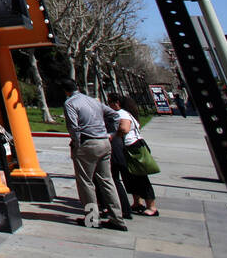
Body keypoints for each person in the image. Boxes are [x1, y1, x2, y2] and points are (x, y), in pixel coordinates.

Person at [62, 79, 127, 231]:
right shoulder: (94, 101)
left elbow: (73, 126)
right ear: (77, 87)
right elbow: (116, 116)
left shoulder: (70, 103)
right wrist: (111, 134)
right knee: (107, 180)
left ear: (65, 91)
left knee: (86, 182)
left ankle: (92, 219)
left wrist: (77, 144)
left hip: (87, 144)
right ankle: (117, 218)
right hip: (104, 142)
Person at [109, 95, 158, 217]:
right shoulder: (129, 113)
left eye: (110, 102)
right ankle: (138, 202)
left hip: (132, 147)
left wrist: (114, 135)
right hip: (133, 145)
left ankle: (152, 206)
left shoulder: (122, 113)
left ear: (117, 103)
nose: (109, 105)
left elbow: (124, 129)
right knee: (130, 177)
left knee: (140, 177)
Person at [102, 103, 135, 222]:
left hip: (112, 151)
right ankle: (122, 209)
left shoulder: (110, 125)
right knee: (113, 180)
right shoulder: (116, 119)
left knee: (111, 180)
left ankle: (117, 211)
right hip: (117, 149)